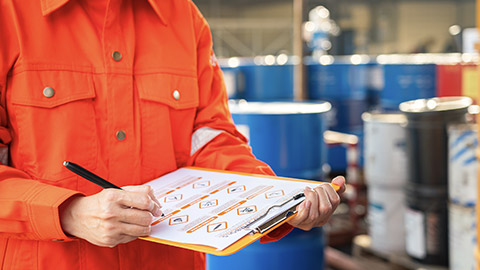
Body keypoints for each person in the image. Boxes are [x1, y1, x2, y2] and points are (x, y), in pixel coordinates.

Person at [0, 0, 346, 269]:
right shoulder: (10, 15)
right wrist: (67, 213)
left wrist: (275, 200)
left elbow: (210, 136)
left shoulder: (183, 18)